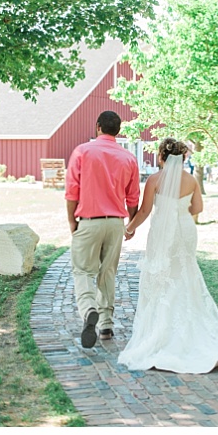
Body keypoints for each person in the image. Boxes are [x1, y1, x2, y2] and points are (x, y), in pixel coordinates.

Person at [118, 139, 218, 373]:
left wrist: (129, 229)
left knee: (161, 276)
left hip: (162, 232)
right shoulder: (191, 180)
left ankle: (161, 332)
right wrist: (180, 210)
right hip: (185, 232)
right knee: (185, 275)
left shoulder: (154, 180)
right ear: (183, 158)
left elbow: (144, 211)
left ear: (161, 157)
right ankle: (188, 329)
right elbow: (197, 209)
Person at [64, 111, 140, 348]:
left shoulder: (82, 152)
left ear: (97, 127)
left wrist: (72, 223)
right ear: (118, 131)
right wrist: (131, 224)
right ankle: (106, 324)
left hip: (88, 220)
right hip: (116, 222)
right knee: (107, 272)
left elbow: (71, 192)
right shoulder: (128, 158)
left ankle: (88, 311)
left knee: (83, 271)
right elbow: (133, 197)